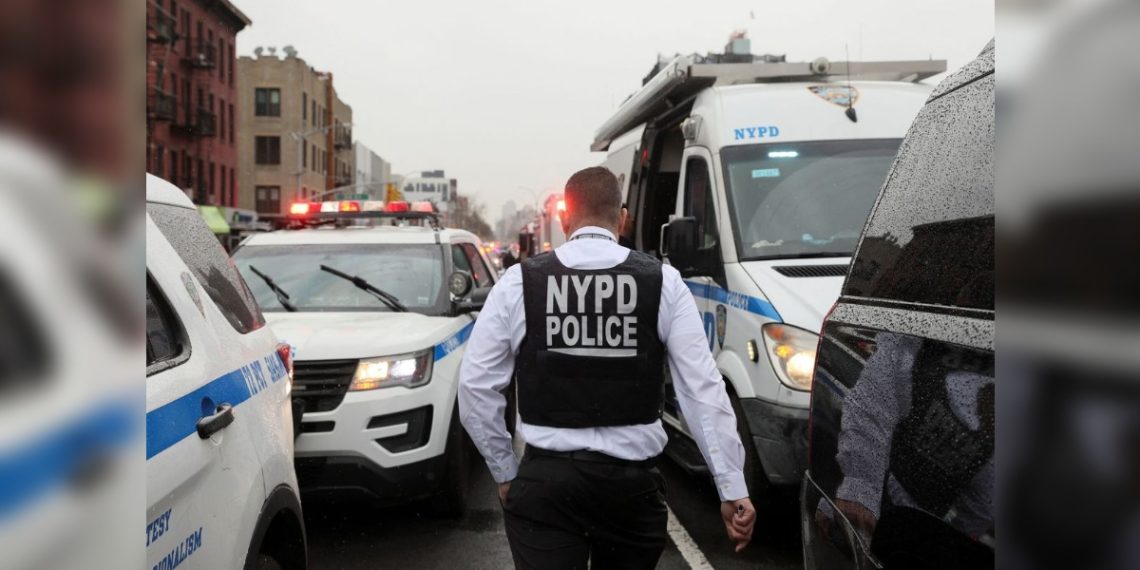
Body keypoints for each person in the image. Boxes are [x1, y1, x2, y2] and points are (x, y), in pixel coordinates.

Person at [459, 167, 755, 569]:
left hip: (547, 487)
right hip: (630, 494)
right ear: (622, 218)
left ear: (565, 220)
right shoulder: (663, 283)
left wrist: (505, 472)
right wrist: (731, 485)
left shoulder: (519, 283)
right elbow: (702, 391)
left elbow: (476, 387)